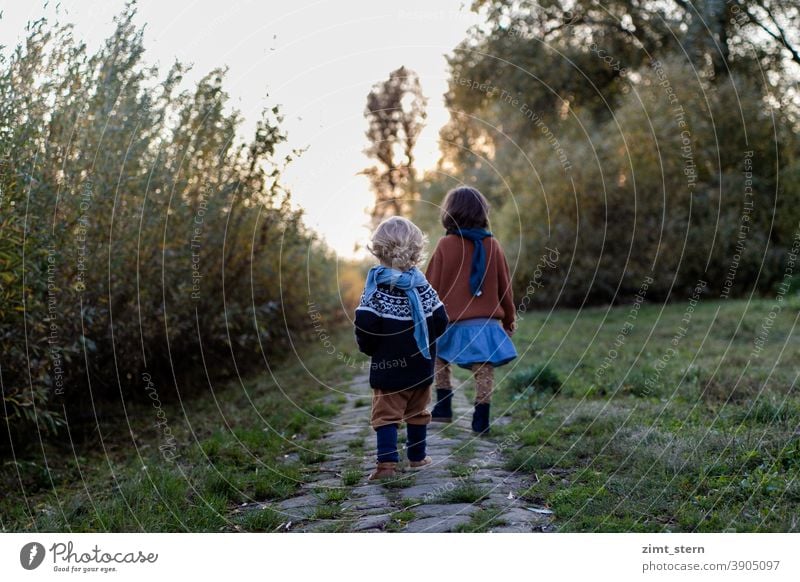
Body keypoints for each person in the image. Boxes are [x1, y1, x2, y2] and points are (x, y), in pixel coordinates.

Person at [354, 216, 449, 480]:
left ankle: (386, 466)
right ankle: (417, 458)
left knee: (386, 416)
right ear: (417, 252)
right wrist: (427, 340)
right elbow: (441, 319)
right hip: (420, 365)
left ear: (378, 250)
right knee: (418, 412)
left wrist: (370, 348)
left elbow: (366, 324)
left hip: (388, 366)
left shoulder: (375, 287)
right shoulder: (422, 286)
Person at [425, 187, 517, 434]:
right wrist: (509, 318)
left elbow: (430, 286)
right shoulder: (492, 245)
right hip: (484, 324)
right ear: (482, 213)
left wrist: (426, 320)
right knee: (483, 369)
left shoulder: (445, 244)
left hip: (451, 323)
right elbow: (504, 287)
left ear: (450, 213)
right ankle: (481, 418)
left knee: (439, 356)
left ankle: (443, 407)